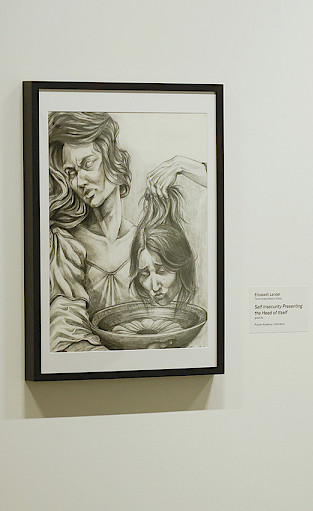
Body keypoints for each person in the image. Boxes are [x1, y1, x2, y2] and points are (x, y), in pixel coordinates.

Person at [47, 111, 206, 351]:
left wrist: (183, 165)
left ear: (112, 159)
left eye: (87, 164)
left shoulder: (148, 242)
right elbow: (65, 333)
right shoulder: (65, 243)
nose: (79, 181)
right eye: (71, 172)